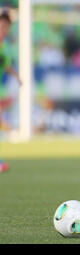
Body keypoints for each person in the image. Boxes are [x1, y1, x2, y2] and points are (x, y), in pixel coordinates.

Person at [0, 10, 22, 172]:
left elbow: (5, 64)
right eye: (2, 26)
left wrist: (17, 76)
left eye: (6, 27)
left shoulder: (4, 45)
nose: (4, 30)